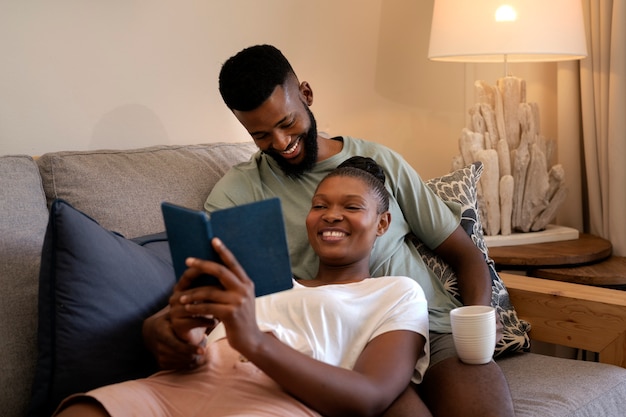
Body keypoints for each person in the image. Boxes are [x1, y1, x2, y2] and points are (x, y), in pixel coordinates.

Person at [143, 44, 516, 417]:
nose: (281, 143)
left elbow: (463, 252)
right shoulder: (238, 193)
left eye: (287, 123)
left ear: (306, 94)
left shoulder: (382, 161)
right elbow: (207, 285)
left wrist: (480, 316)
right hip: (341, 340)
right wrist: (161, 325)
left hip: (432, 327)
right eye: (260, 135)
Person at [55, 158, 430, 417]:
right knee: (81, 411)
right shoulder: (257, 277)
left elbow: (370, 397)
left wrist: (253, 339)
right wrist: (167, 333)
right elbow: (163, 330)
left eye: (351, 207)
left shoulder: (396, 292)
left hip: (278, 398)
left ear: (382, 224)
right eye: (320, 205)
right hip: (184, 382)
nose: (331, 214)